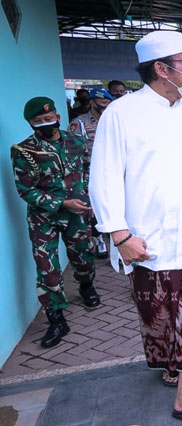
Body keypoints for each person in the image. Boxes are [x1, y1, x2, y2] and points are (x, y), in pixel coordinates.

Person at [89, 30, 182, 423]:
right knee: (158, 314)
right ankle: (172, 363)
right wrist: (119, 235)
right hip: (146, 239)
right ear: (162, 70)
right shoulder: (121, 113)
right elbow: (104, 177)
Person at [10, 97, 100, 348]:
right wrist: (61, 203)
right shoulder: (24, 151)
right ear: (30, 124)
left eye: (48, 119)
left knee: (83, 256)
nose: (44, 124)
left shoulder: (76, 142)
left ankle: (86, 286)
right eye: (38, 122)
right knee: (47, 269)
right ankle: (56, 318)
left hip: (77, 213)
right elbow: (25, 190)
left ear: (58, 118)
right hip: (43, 218)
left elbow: (87, 169)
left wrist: (85, 195)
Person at [68, 88, 113, 259]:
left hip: (113, 171)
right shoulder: (79, 123)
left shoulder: (113, 120)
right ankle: (98, 238)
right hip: (90, 172)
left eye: (108, 104)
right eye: (102, 104)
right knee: (93, 207)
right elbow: (72, 153)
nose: (105, 107)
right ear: (93, 103)